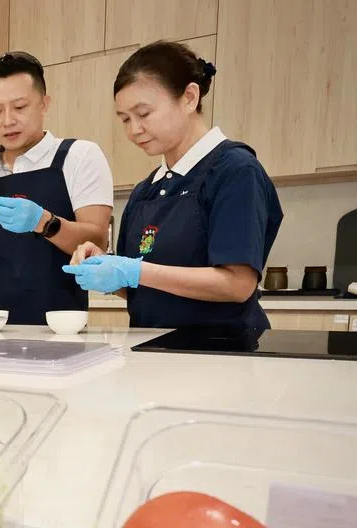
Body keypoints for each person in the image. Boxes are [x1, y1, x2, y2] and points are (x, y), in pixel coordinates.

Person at [63, 40, 283, 330]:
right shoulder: (145, 192)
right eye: (125, 119)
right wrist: (108, 270)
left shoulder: (235, 170)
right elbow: (142, 290)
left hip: (221, 350)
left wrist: (134, 270)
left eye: (143, 114)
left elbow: (237, 284)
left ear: (189, 97)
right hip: (151, 348)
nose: (134, 130)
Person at [0, 51, 114, 325]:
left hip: (59, 328)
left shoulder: (79, 156)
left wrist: (44, 222)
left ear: (43, 104)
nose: (7, 120)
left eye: (19, 107)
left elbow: (98, 241)